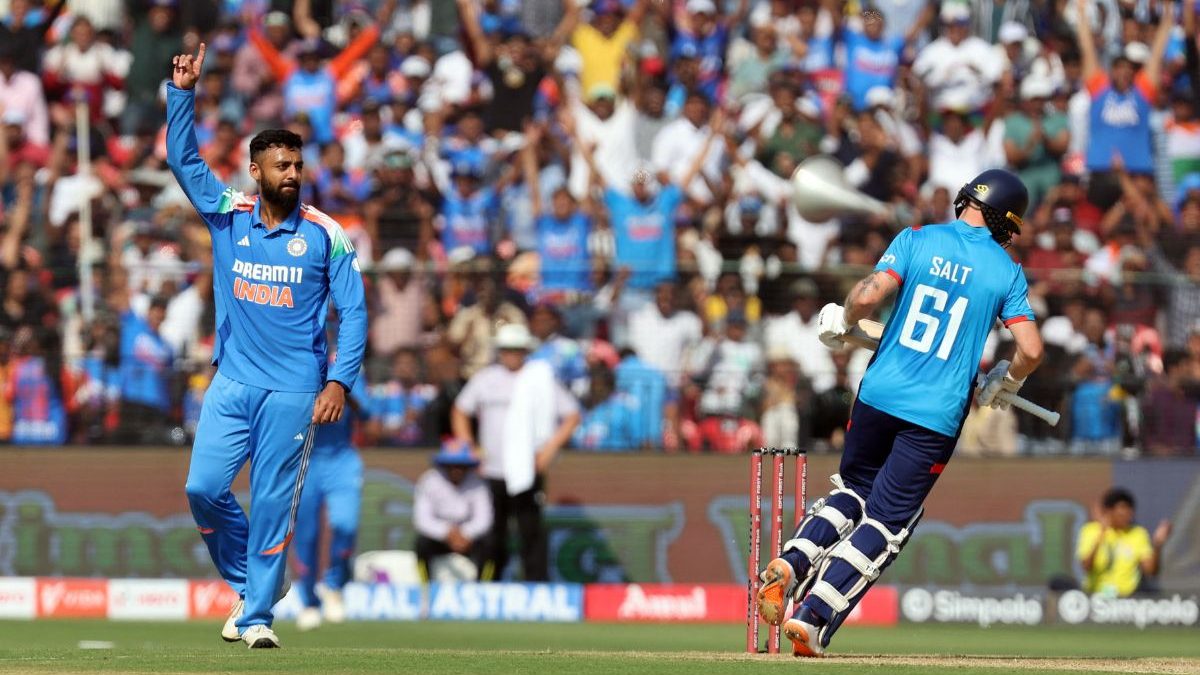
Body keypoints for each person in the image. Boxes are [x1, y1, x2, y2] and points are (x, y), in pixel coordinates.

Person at [755, 169, 1045, 656]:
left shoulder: (917, 238)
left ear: (964, 201)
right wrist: (1006, 380)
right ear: (1006, 222)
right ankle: (813, 616)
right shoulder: (1006, 269)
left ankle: (790, 564)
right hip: (936, 413)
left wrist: (840, 320)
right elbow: (1031, 350)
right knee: (889, 521)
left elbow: (868, 295)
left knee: (853, 492)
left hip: (878, 394)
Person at [166, 45, 368, 649]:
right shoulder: (228, 214)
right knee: (202, 490)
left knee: (274, 504)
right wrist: (183, 96)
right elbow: (183, 161)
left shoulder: (327, 234)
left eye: (296, 165)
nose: (291, 175)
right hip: (231, 384)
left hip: (294, 392)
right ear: (256, 170)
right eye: (280, 166)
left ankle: (257, 617)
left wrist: (339, 382)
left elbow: (354, 312)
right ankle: (253, 583)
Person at [451, 323, 580, 581]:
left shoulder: (539, 379)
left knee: (530, 532)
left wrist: (547, 452)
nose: (511, 355)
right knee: (491, 532)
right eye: (507, 350)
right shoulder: (485, 379)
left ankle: (536, 588)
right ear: (500, 351)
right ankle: (490, 585)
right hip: (492, 469)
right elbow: (460, 411)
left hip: (526, 469)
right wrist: (470, 448)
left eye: (517, 350)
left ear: (525, 351)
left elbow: (572, 415)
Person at [292, 368, 373, 633]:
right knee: (306, 534)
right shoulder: (295, 364)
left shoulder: (345, 368)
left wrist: (339, 387)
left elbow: (367, 413)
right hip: (305, 457)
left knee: (345, 523)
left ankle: (334, 584)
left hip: (342, 458)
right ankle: (309, 602)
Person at [413, 439, 494, 580]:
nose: (456, 469)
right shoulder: (429, 481)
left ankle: (483, 586)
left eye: (461, 465)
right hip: (440, 537)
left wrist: (465, 533)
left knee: (490, 545)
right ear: (444, 464)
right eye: (452, 465)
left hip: (468, 538)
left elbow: (484, 519)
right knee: (421, 544)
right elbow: (422, 520)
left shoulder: (478, 483)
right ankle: (425, 585)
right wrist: (447, 533)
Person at [1077, 487, 1172, 597]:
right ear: (1109, 512)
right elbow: (1086, 566)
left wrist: (1157, 544)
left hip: (1126, 600)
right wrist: (1101, 536)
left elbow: (1150, 571)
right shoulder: (1091, 531)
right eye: (1121, 514)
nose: (1126, 518)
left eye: (1129, 514)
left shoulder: (1138, 534)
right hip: (1096, 596)